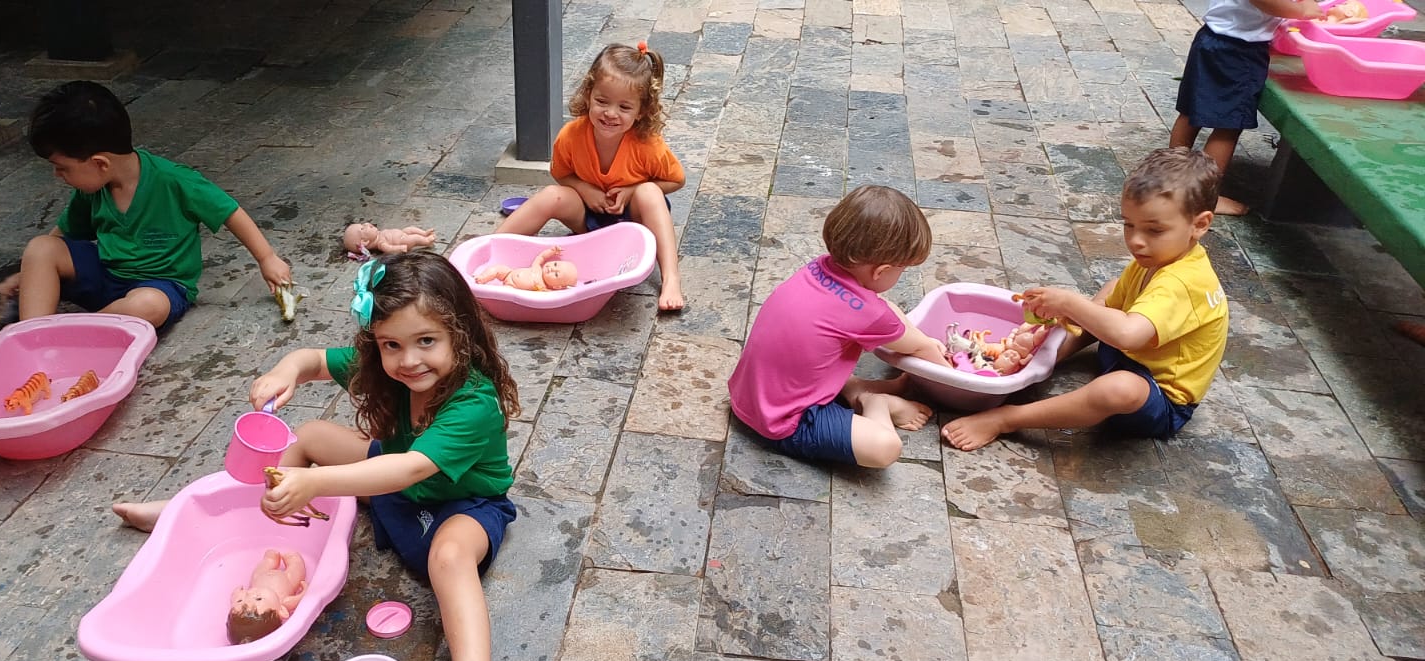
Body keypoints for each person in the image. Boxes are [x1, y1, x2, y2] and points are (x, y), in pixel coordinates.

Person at [115, 251, 519, 661]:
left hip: (462, 503)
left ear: (461, 334)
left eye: (426, 341)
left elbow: (410, 469)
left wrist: (316, 482)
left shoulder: (473, 402)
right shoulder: (387, 368)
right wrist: (285, 372)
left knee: (449, 557)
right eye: (391, 344)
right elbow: (311, 360)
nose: (409, 360)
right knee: (308, 435)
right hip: (394, 481)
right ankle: (198, 509)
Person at [942, 148, 1230, 451]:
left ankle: (1007, 418)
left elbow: (1127, 334)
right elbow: (1115, 313)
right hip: (1125, 352)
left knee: (1118, 387)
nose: (1135, 240)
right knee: (1112, 290)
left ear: (1200, 225)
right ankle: (1039, 361)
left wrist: (1069, 304)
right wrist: (1071, 313)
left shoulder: (1184, 282)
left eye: (1154, 230)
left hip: (1156, 396)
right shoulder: (1158, 258)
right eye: (1128, 225)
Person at [0, 81, 292, 329]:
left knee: (147, 305)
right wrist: (31, 275)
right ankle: (32, 335)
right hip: (106, 274)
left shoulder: (175, 181)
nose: (57, 175)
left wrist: (267, 258)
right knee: (40, 248)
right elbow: (63, 235)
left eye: (62, 168)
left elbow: (229, 211)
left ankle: (79, 333)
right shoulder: (92, 189)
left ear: (100, 163)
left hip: (160, 286)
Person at [727, 185, 946, 469]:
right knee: (885, 448)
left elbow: (884, 311)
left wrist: (919, 338)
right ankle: (877, 403)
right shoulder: (866, 313)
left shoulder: (817, 268)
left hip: (747, 397)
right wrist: (949, 369)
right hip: (783, 423)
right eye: (901, 270)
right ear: (881, 271)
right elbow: (918, 347)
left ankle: (856, 390)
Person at [495, 42, 686, 311]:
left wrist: (632, 190)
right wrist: (584, 189)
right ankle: (491, 248)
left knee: (650, 192)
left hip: (633, 223)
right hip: (589, 220)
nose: (610, 113)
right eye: (602, 101)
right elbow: (560, 173)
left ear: (641, 110)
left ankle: (671, 278)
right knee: (552, 195)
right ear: (588, 95)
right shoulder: (571, 135)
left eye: (624, 107)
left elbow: (677, 180)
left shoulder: (648, 144)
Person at [1168, 0, 1321, 215]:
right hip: (1238, 52)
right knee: (1228, 126)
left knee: (1190, 111)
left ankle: (1171, 177)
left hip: (1211, 38)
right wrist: (1302, 10)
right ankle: (1203, 199)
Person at [473, 245, 579, 291]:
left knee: (504, 292)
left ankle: (486, 291)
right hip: (509, 273)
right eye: (555, 264)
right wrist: (552, 251)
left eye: (556, 274)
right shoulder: (537, 268)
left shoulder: (544, 288)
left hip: (512, 288)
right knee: (497, 269)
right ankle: (482, 278)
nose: (552, 269)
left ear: (557, 287)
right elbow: (541, 257)